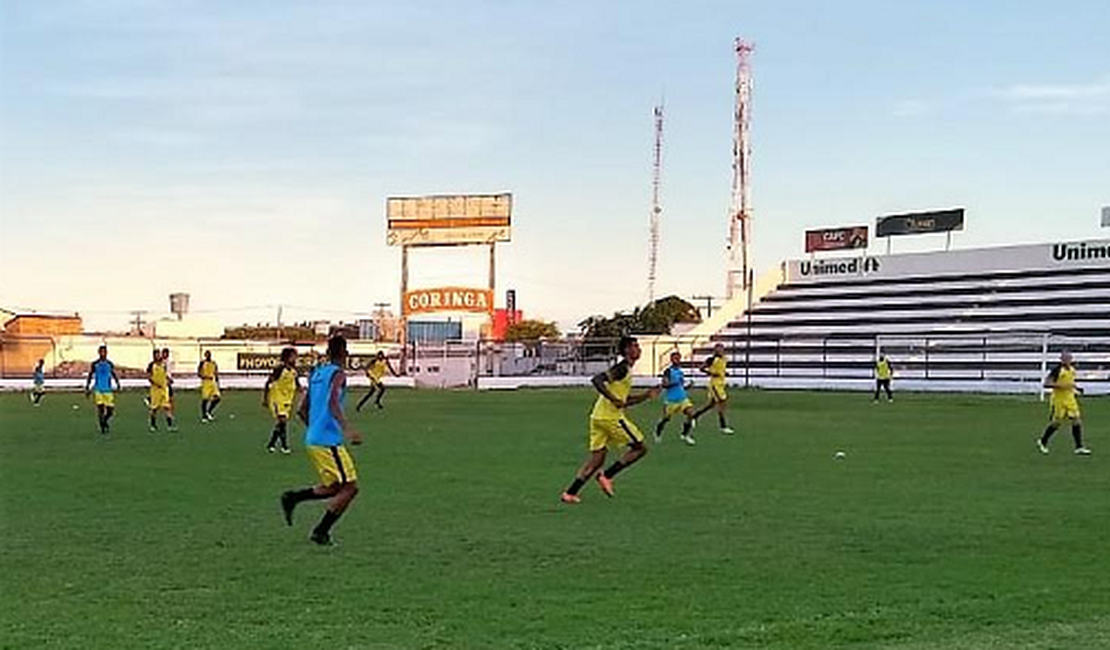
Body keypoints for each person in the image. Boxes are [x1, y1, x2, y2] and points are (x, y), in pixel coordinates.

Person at [280, 336, 363, 545]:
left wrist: (314, 429)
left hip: (314, 439)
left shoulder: (317, 373)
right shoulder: (338, 374)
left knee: (335, 487)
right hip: (328, 441)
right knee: (350, 488)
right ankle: (321, 531)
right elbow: (333, 402)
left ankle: (293, 498)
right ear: (344, 352)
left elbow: (301, 410)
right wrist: (347, 429)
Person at [560, 336, 661, 504]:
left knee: (597, 458)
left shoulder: (626, 370)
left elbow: (624, 401)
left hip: (598, 416)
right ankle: (607, 475)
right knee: (640, 448)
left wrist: (646, 395)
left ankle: (570, 493)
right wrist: (612, 398)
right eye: (635, 346)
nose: (639, 349)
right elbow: (597, 380)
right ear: (627, 350)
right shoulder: (621, 368)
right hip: (610, 418)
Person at [1037, 351, 1091, 455]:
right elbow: (1047, 383)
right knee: (1056, 423)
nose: (1068, 360)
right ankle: (1043, 441)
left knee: (1077, 420)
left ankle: (1079, 447)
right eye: (1066, 358)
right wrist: (1061, 387)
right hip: (1059, 400)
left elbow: (1070, 382)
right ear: (1062, 360)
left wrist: (1077, 388)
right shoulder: (1057, 370)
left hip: (1070, 398)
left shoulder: (1072, 370)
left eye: (1069, 358)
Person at [654, 350, 697, 446]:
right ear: (671, 359)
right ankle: (658, 433)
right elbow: (664, 384)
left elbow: (680, 386)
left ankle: (685, 435)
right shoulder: (668, 371)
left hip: (682, 398)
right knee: (666, 419)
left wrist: (688, 386)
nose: (677, 360)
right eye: (675, 358)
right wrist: (674, 383)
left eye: (678, 358)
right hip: (671, 400)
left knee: (691, 413)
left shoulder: (680, 371)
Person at [263, 347, 300, 454]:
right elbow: (268, 382)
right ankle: (284, 446)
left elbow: (297, 384)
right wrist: (265, 398)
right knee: (282, 421)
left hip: (287, 399)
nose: (295, 358)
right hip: (276, 397)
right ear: (287, 357)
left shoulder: (293, 371)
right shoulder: (279, 369)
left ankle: (271, 444)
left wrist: (303, 391)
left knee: (281, 423)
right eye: (293, 356)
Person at [692, 343, 735, 434]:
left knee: (710, 405)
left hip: (721, 384)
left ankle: (694, 416)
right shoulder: (711, 360)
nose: (720, 351)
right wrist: (711, 373)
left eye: (721, 349)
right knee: (722, 403)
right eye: (718, 349)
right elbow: (701, 368)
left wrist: (725, 373)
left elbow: (720, 369)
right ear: (715, 350)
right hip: (715, 385)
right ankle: (723, 426)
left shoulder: (724, 359)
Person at [84, 345, 121, 435]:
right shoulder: (95, 364)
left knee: (110, 411)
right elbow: (90, 375)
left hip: (108, 389)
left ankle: (104, 421)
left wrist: (118, 383)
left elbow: (113, 374)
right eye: (101, 352)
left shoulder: (109, 364)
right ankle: (103, 427)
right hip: (98, 389)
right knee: (100, 409)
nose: (103, 354)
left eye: (104, 352)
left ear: (106, 353)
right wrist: (87, 387)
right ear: (99, 353)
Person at [147, 349, 176, 432]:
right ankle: (153, 425)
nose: (158, 356)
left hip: (164, 389)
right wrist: (156, 383)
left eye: (159, 354)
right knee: (154, 409)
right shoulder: (151, 365)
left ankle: (170, 426)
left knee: (167, 407)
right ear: (154, 356)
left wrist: (169, 380)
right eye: (156, 355)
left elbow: (165, 374)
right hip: (155, 390)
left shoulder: (163, 364)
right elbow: (149, 377)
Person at [197, 350, 222, 422]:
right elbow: (198, 373)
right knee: (205, 399)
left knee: (217, 398)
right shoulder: (202, 363)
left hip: (212, 382)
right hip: (205, 382)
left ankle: (209, 411)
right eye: (206, 355)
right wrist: (203, 376)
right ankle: (204, 416)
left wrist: (217, 383)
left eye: (209, 354)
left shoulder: (213, 363)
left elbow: (216, 373)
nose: (208, 356)